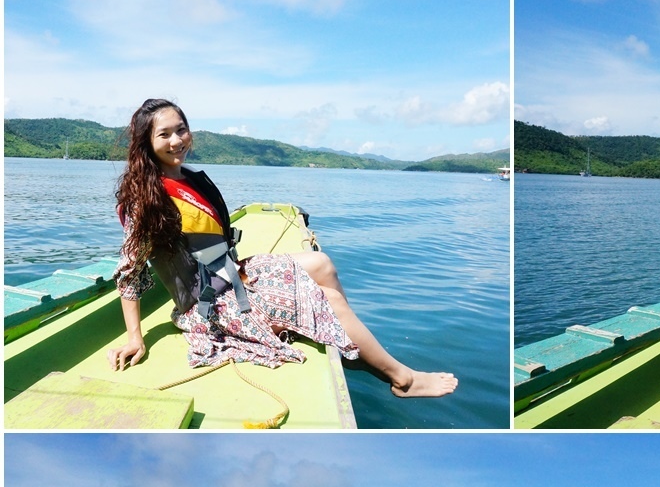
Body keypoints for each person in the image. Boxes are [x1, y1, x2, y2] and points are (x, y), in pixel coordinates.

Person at [109, 98, 457, 398]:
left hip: (233, 274)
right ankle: (403, 379)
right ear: (146, 143)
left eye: (181, 129)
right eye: (164, 134)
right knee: (330, 301)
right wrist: (135, 338)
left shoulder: (187, 177)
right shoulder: (147, 199)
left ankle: (350, 345)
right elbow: (129, 273)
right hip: (209, 303)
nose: (176, 140)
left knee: (321, 264)